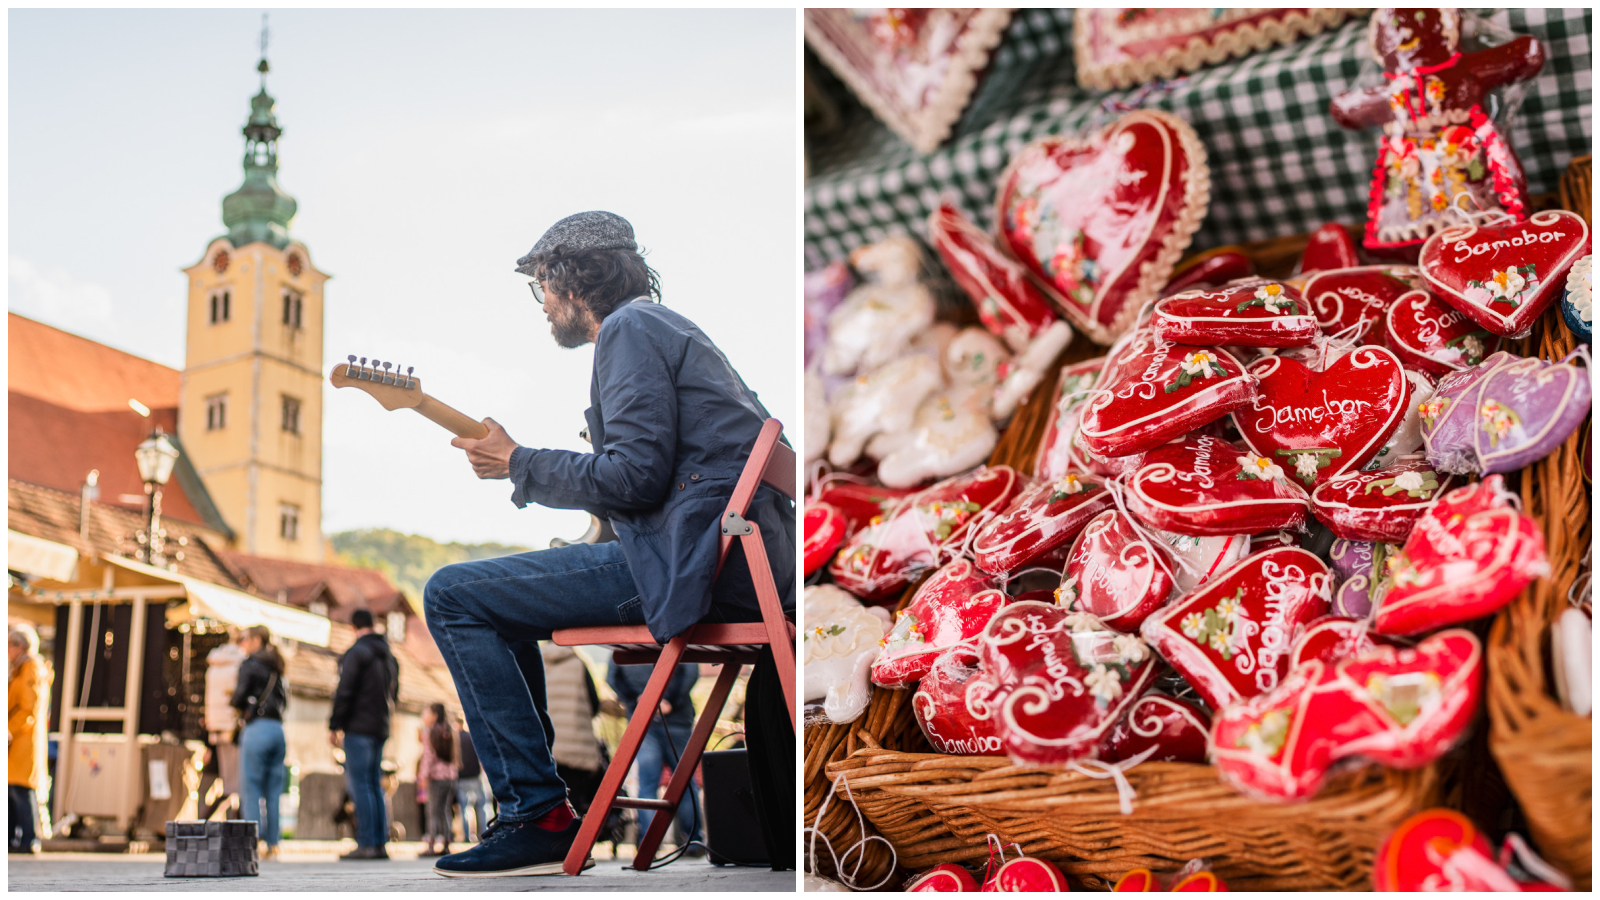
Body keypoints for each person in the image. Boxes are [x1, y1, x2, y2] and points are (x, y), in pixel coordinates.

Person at [423, 210, 795, 877]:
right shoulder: (666, 327)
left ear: (573, 282)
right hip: (736, 561)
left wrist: (519, 463)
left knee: (452, 594)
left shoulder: (628, 329)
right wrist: (521, 463)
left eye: (542, 284)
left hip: (693, 563)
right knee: (489, 601)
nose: (541, 304)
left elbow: (635, 476)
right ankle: (539, 814)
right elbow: (652, 478)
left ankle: (537, 817)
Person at [606, 659, 700, 851]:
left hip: (643, 718)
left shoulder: (627, 639)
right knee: (685, 781)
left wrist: (637, 700)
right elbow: (690, 671)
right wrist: (670, 701)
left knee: (647, 783)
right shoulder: (674, 632)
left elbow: (612, 677)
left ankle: (648, 842)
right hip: (677, 719)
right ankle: (693, 841)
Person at [329, 608, 399, 861]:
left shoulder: (356, 653)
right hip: (380, 727)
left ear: (353, 627)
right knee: (375, 785)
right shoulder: (390, 656)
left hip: (358, 727)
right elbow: (395, 696)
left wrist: (335, 725)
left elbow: (344, 691)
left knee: (360, 785)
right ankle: (380, 844)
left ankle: (367, 843)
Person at [231, 624, 288, 861]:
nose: (243, 643)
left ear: (256, 640)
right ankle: (273, 845)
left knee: (251, 789)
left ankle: (251, 843)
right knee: (273, 792)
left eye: (245, 639)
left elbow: (238, 697)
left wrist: (235, 704)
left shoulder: (250, 664)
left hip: (257, 729)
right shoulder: (278, 666)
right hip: (278, 730)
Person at [9, 624, 51, 855]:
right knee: (11, 790)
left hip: (22, 740)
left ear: (20, 646)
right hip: (16, 741)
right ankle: (12, 839)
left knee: (21, 791)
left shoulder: (31, 669)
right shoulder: (20, 669)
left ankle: (28, 839)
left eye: (9, 644)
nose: (6, 649)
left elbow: (28, 709)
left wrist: (8, 730)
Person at [200, 630, 247, 821]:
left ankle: (203, 822)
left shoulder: (214, 664)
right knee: (236, 785)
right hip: (233, 727)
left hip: (216, 728)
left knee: (228, 782)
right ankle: (205, 823)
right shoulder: (240, 663)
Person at [418, 703, 458, 857]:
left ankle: (431, 844)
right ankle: (447, 842)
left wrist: (423, 776)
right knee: (445, 810)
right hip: (450, 777)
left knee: (432, 811)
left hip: (436, 777)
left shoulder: (429, 732)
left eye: (426, 713)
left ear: (434, 715)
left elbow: (428, 756)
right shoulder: (450, 730)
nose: (424, 716)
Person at [454, 722, 489, 843]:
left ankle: (466, 836)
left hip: (461, 776)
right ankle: (483, 833)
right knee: (481, 807)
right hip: (475, 775)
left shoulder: (455, 738)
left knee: (464, 808)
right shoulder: (472, 736)